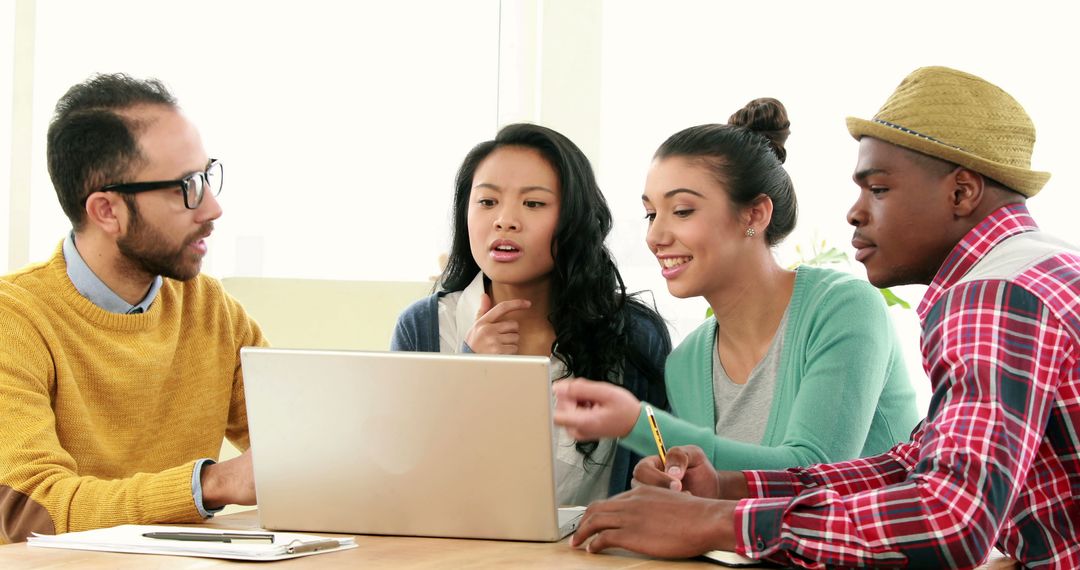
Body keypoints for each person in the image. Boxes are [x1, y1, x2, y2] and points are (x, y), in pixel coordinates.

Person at [570, 67, 1080, 569]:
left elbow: (950, 521)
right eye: (649, 213)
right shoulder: (1033, 270)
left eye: (877, 189)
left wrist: (716, 522)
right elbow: (916, 465)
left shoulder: (993, 297)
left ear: (962, 192)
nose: (854, 213)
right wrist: (730, 487)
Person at [553, 99, 919, 472]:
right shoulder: (687, 363)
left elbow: (813, 472)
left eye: (681, 211)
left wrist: (639, 425)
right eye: (651, 214)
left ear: (754, 215)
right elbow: (721, 495)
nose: (655, 236)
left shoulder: (843, 308)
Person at [0, 74, 263, 543]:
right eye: (187, 186)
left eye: (207, 175)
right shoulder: (14, 321)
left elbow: (300, 438)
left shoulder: (211, 310)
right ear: (106, 211)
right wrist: (212, 484)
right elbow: (29, 511)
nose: (212, 207)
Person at [391, 123, 670, 504]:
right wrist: (470, 372)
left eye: (533, 203)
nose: (505, 220)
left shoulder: (635, 333)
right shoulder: (423, 327)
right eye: (487, 202)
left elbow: (658, 476)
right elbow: (405, 482)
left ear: (574, 219)